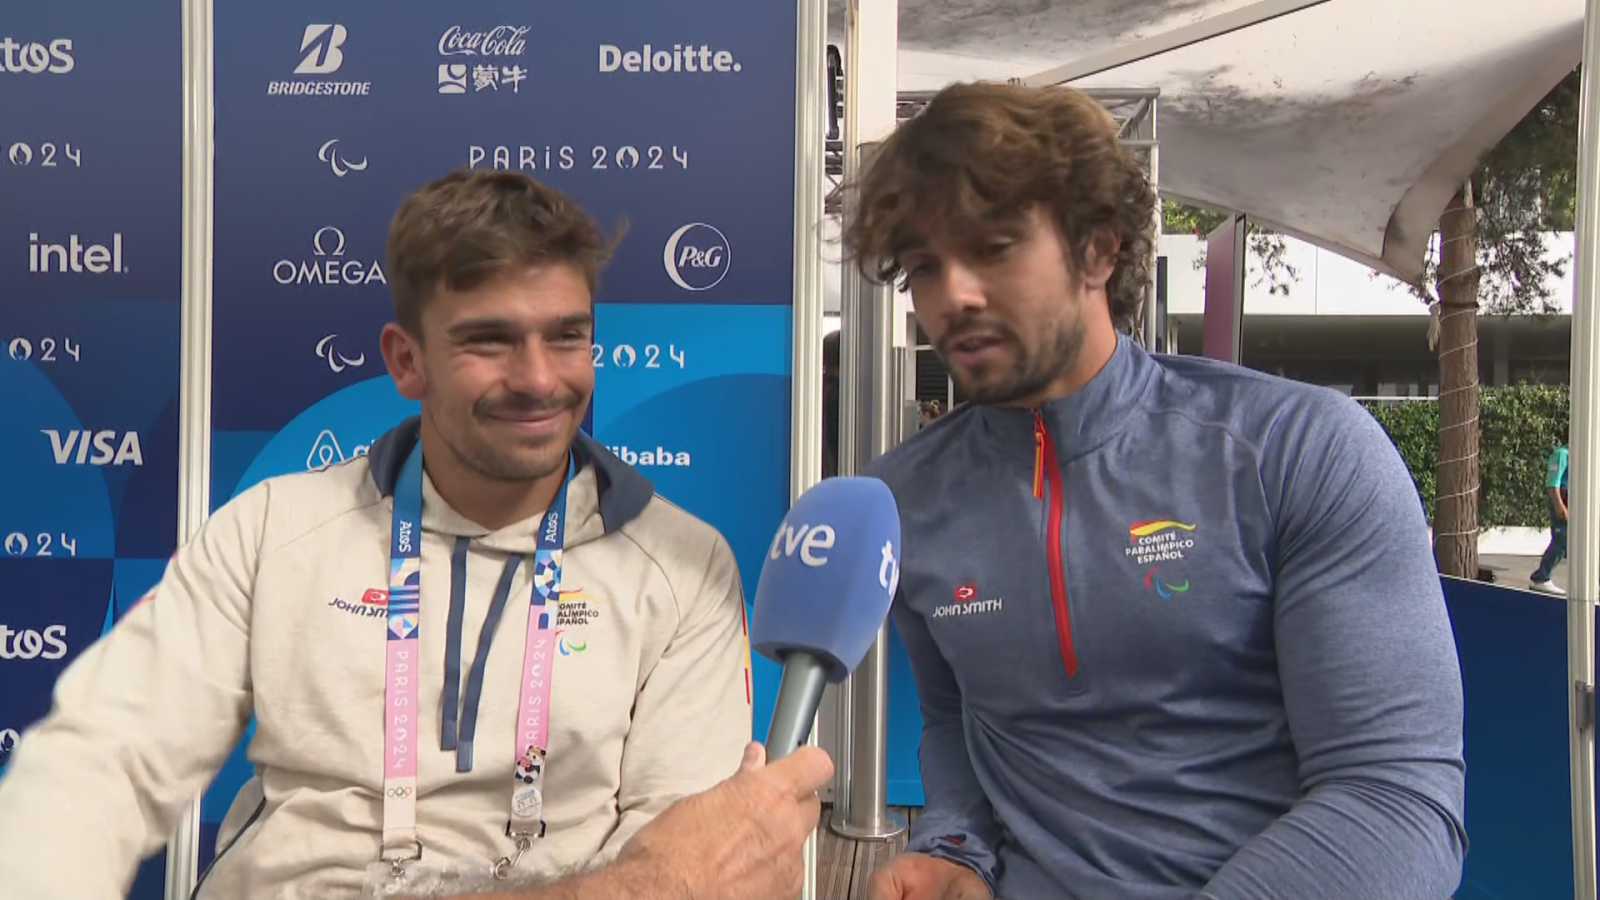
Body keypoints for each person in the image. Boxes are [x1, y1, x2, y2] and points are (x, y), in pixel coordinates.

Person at [0, 169, 823, 900]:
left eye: (566, 335)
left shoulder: (683, 566)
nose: (539, 379)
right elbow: (99, 763)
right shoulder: (272, 529)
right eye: (489, 340)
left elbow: (694, 866)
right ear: (406, 361)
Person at [841, 83, 1467, 900]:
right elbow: (962, 720)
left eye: (992, 247)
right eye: (925, 266)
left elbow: (1395, 800)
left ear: (1099, 250)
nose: (951, 296)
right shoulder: (901, 498)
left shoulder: (1299, 451)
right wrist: (958, 847)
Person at [1531, 440, 1570, 595]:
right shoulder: (1561, 454)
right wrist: (1559, 506)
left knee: (1567, 544)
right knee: (1561, 541)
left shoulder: (1578, 456)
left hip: (1569, 500)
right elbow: (1553, 484)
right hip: (1562, 500)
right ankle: (1541, 577)